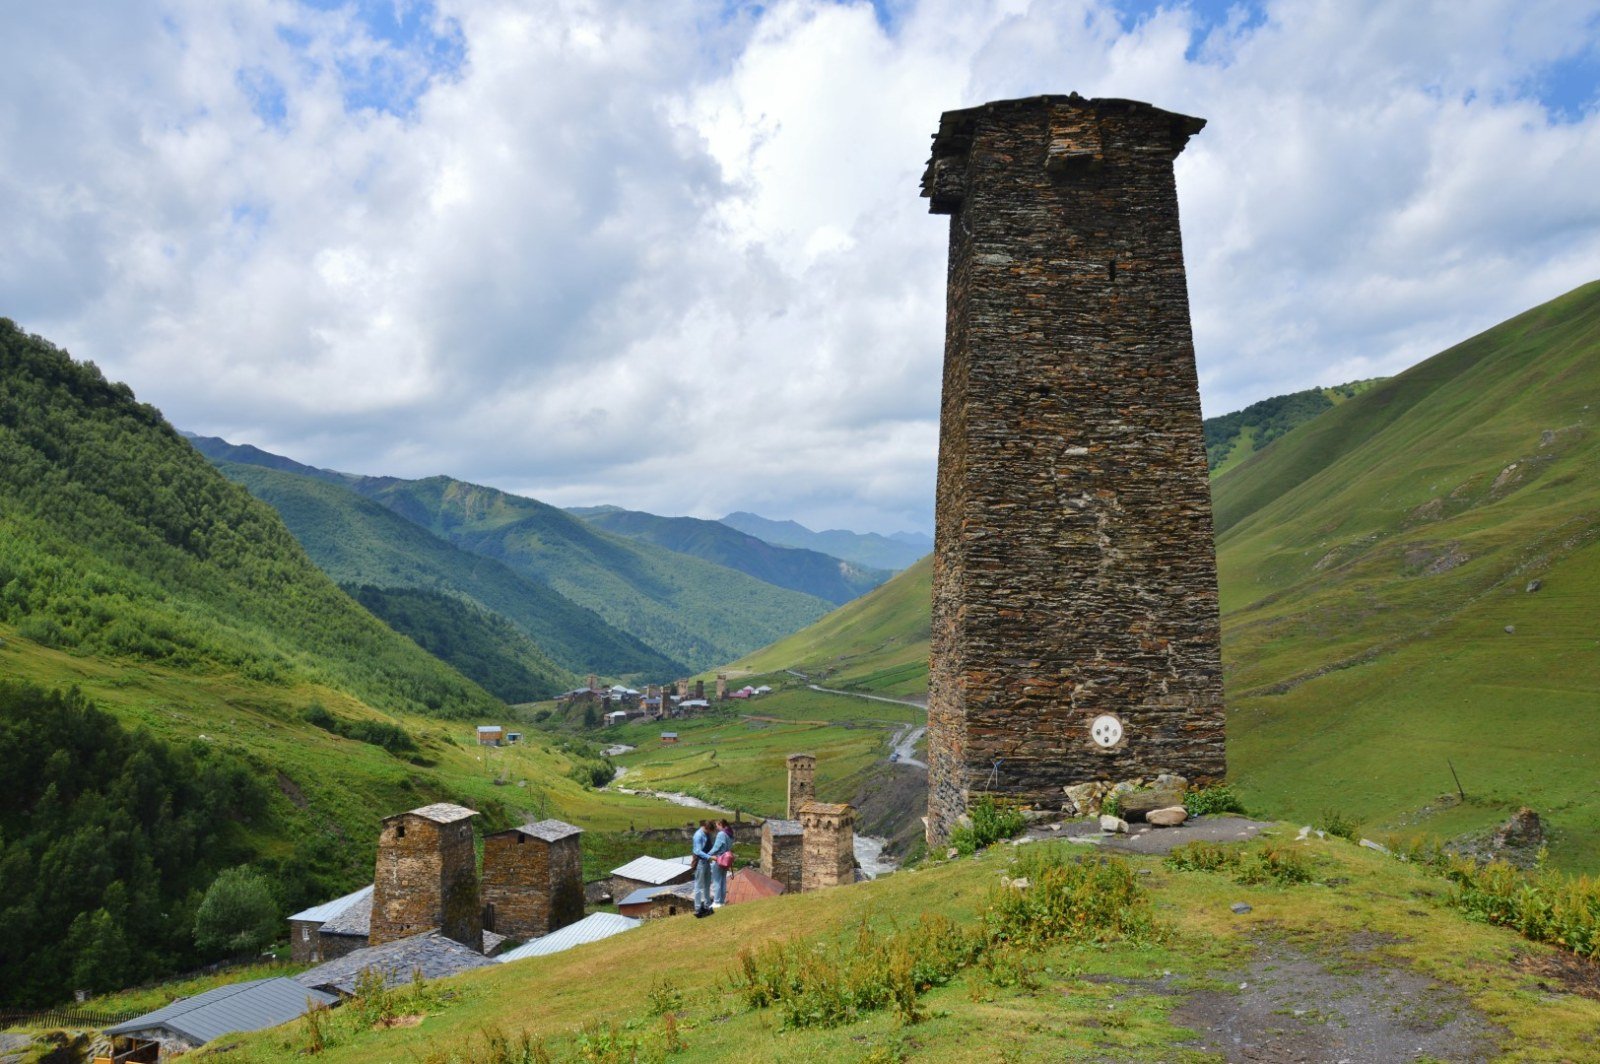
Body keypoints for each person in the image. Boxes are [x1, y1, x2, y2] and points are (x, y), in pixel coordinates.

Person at [691, 819, 716, 917]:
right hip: (700, 863)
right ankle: (698, 908)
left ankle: (707, 905)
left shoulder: (706, 834)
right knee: (698, 886)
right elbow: (697, 851)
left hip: (706, 862)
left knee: (707, 884)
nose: (710, 833)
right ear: (706, 828)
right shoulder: (698, 835)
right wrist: (710, 857)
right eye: (709, 830)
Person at [709, 818, 734, 908]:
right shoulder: (730, 834)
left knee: (716, 881)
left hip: (719, 859)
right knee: (723, 880)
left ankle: (716, 902)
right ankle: (722, 901)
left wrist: (707, 855)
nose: (716, 827)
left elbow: (716, 847)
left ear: (720, 824)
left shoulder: (721, 834)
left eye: (717, 825)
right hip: (726, 860)